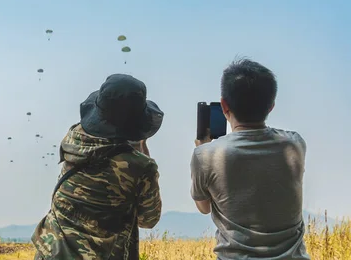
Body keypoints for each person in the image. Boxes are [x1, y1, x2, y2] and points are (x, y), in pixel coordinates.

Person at [32, 74, 164, 260]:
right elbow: (148, 219)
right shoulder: (140, 167)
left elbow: (104, 144)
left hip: (52, 251)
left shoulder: (72, 140)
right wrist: (140, 146)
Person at [191, 58, 310, 259]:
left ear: (224, 105)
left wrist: (204, 150)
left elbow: (204, 207)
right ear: (271, 105)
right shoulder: (295, 144)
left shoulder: (206, 155)